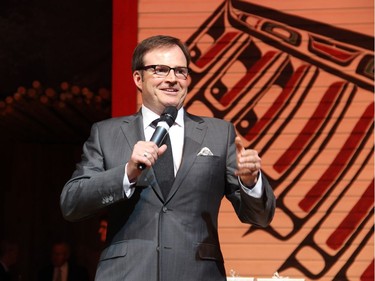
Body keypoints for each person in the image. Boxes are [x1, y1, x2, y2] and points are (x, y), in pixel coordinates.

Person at [60, 35, 276, 281]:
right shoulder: (107, 133)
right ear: (138, 78)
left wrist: (250, 182)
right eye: (160, 70)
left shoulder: (219, 133)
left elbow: (259, 216)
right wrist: (127, 173)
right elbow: (72, 203)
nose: (172, 79)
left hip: (197, 273)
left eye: (180, 71)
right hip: (127, 274)